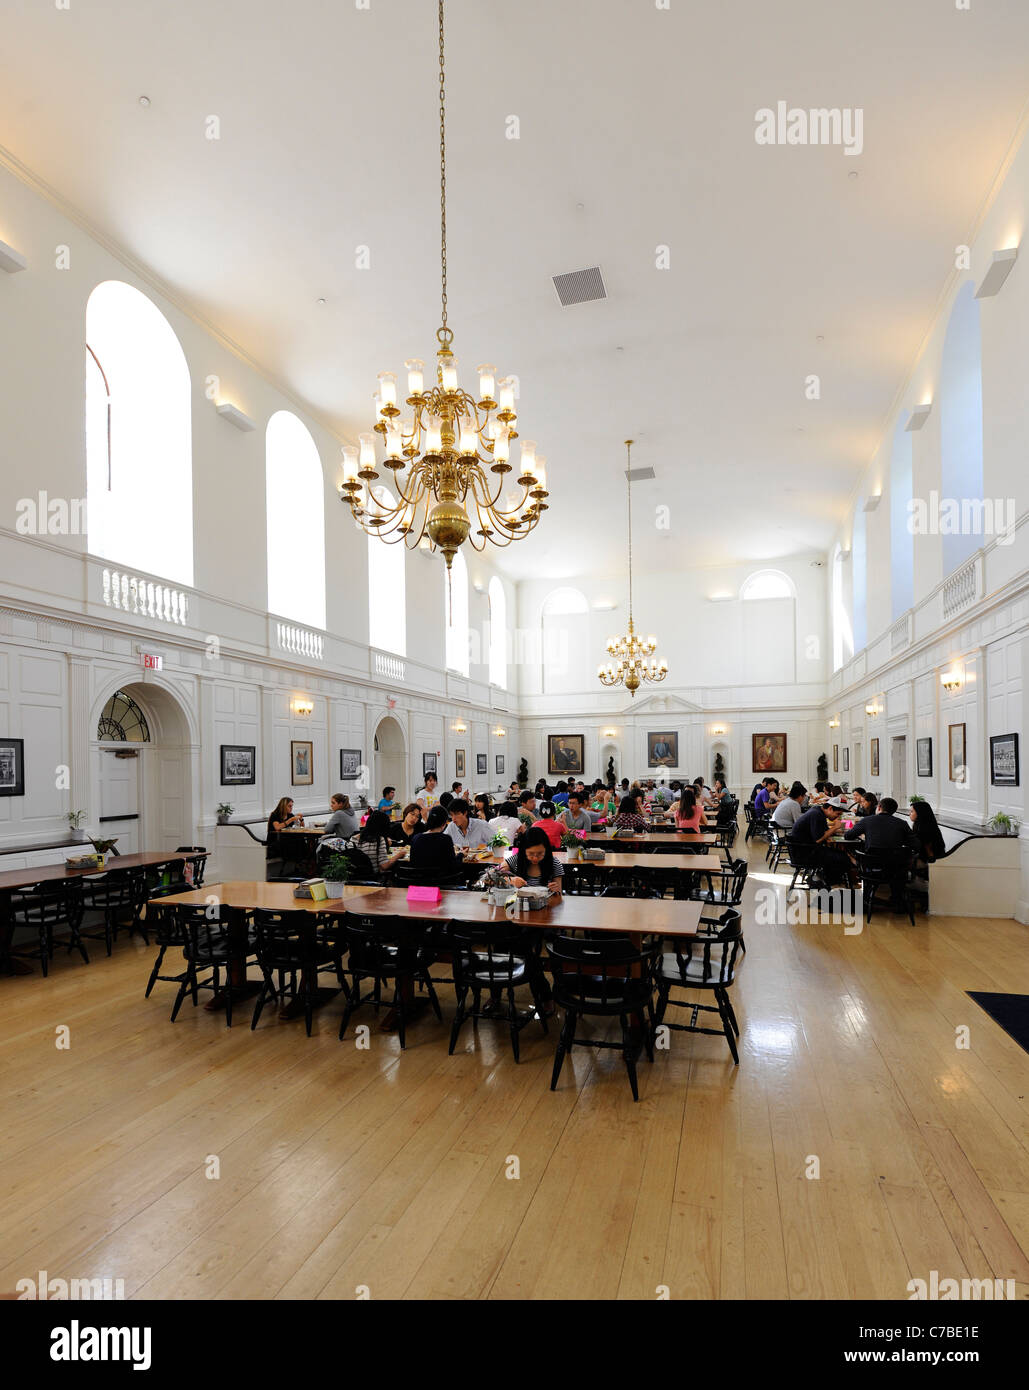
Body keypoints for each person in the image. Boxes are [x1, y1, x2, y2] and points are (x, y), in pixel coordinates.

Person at [790, 799, 850, 886]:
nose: (837, 817)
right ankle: (827, 883)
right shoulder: (817, 814)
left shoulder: (817, 811)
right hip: (804, 854)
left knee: (838, 854)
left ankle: (824, 879)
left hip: (805, 849)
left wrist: (837, 830)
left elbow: (823, 831)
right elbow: (818, 839)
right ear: (830, 808)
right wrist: (835, 828)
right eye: (837, 814)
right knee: (843, 858)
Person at [502, 826, 563, 896]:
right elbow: (489, 877)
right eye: (531, 854)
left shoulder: (554, 863)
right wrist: (509, 880)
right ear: (524, 851)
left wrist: (556, 891)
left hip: (546, 905)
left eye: (540, 853)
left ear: (546, 850)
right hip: (520, 905)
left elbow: (559, 895)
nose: (535, 858)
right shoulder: (516, 859)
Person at [844, 797, 918, 852]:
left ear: (879, 807)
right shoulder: (902, 823)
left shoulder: (867, 820)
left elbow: (848, 836)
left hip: (869, 861)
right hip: (894, 862)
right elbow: (915, 844)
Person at [348, 809, 406, 876]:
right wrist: (399, 855)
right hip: (372, 879)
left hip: (353, 879)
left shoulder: (353, 839)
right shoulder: (379, 840)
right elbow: (384, 866)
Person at [409, 805, 460, 872]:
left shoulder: (416, 838)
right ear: (444, 823)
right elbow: (453, 865)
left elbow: (413, 862)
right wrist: (461, 855)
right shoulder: (446, 839)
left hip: (419, 880)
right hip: (443, 880)